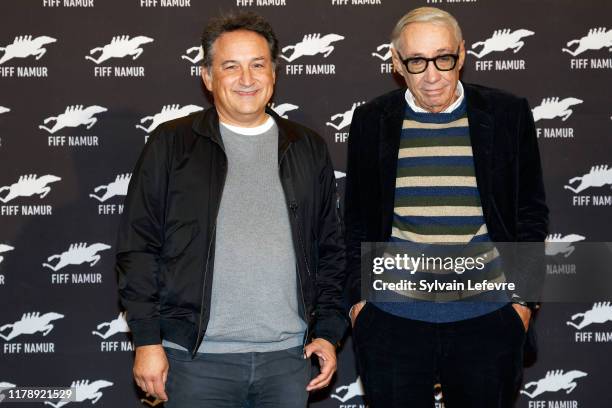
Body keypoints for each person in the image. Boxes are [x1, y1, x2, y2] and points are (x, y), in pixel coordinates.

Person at [116, 11, 346, 408]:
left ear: (274, 73)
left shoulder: (307, 147)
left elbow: (330, 249)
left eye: (258, 65)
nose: (246, 79)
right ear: (207, 77)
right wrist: (147, 341)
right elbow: (138, 248)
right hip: (194, 361)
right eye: (230, 66)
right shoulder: (171, 145)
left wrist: (327, 331)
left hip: (287, 362)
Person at [345, 7, 548, 408]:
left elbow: (530, 213)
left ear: (462, 54)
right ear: (396, 62)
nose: (432, 74)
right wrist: (360, 306)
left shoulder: (507, 114)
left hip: (488, 319)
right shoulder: (372, 120)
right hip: (391, 320)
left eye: (444, 58)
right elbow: (356, 220)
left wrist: (521, 304)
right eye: (416, 61)